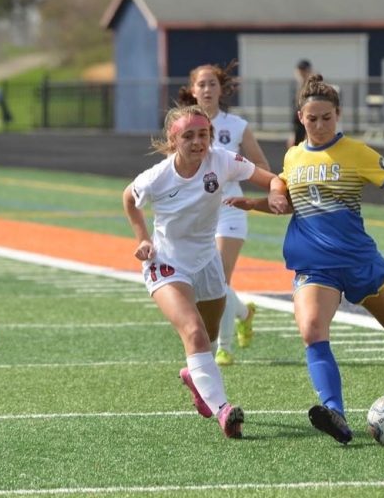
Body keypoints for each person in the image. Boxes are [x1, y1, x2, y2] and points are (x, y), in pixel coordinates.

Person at [229, 74, 384, 444]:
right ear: (300, 117)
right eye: (312, 118)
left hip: (359, 262)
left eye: (327, 118)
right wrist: (257, 203)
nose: (319, 125)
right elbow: (290, 204)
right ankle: (335, 412)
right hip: (315, 267)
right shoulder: (293, 156)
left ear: (339, 115)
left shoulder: (356, 152)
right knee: (312, 330)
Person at [121, 105, 284, 438]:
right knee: (194, 333)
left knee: (206, 342)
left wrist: (277, 193)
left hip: (207, 261)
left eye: (203, 134)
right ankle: (225, 410)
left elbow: (271, 179)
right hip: (166, 263)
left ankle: (196, 378)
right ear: (172, 139)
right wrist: (142, 239)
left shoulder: (222, 160)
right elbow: (128, 198)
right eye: (189, 136)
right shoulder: (156, 177)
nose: (198, 142)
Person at [179, 61, 271, 366]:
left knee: (217, 279)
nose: (206, 89)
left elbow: (262, 168)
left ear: (221, 89)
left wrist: (234, 169)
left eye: (212, 84)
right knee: (200, 283)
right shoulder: (182, 126)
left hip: (230, 209)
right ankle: (245, 313)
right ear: (192, 90)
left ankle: (224, 347)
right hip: (197, 214)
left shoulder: (236, 126)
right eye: (201, 84)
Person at [286, 59, 312, 148]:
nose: (302, 74)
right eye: (300, 71)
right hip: (297, 128)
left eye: (304, 71)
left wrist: (308, 134)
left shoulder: (311, 88)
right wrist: (293, 133)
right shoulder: (298, 87)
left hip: (307, 128)